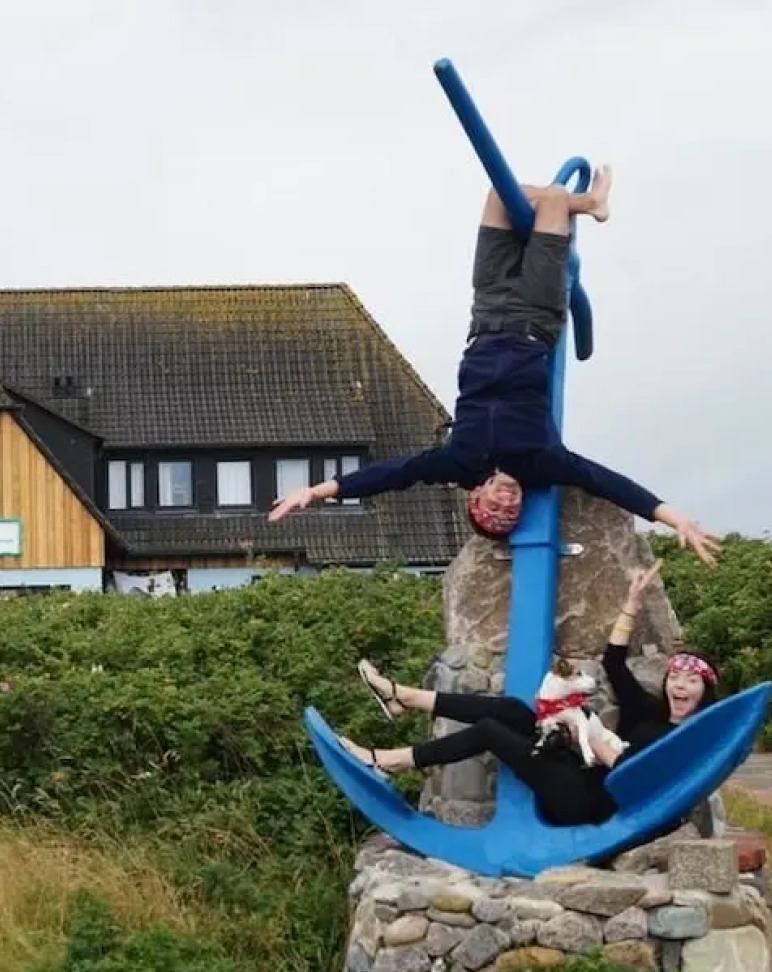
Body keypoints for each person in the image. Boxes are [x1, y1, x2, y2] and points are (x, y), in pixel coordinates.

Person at [268, 169, 721, 566]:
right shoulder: (543, 460)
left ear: (475, 494)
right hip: (535, 317)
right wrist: (671, 516)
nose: (507, 499)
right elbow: (608, 483)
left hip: (485, 316)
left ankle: (590, 204)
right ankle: (584, 204)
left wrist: (314, 492)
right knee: (555, 199)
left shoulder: (457, 461)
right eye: (511, 508)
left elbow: (388, 475)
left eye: (496, 505)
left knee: (500, 195)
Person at [336, 562, 722, 828]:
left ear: (705, 691)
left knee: (490, 731)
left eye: (691, 682)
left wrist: (606, 751)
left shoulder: (691, 744)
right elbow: (615, 662)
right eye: (676, 677)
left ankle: (388, 761)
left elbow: (652, 792)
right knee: (513, 709)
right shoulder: (647, 714)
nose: (679, 687)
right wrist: (632, 605)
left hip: (585, 804)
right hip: (575, 773)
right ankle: (405, 697)